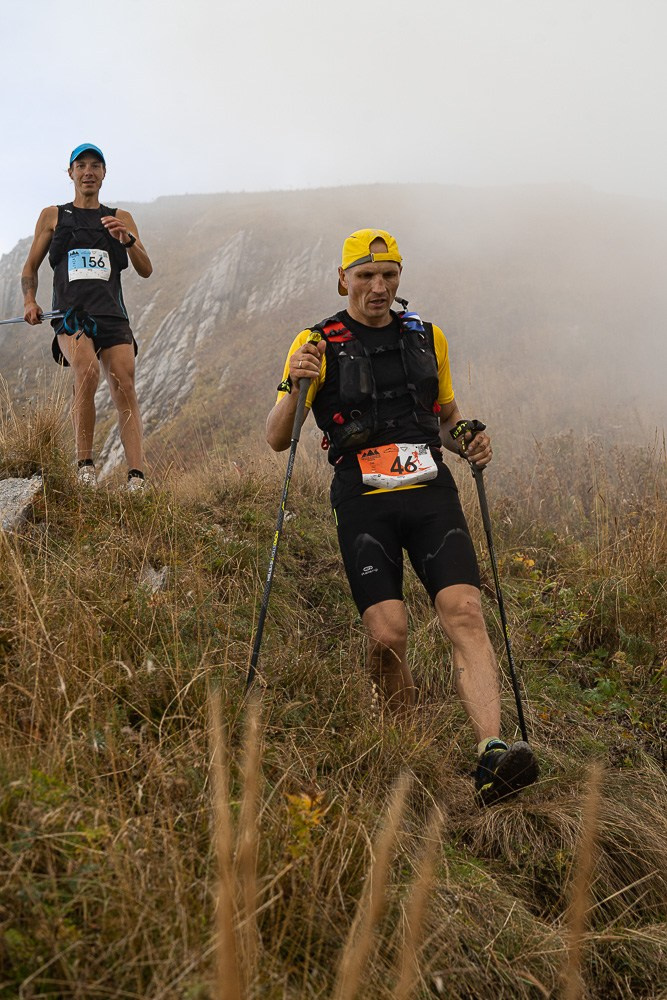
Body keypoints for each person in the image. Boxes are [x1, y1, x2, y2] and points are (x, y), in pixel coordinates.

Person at [266, 228, 538, 805]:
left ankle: (492, 752)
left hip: (431, 493)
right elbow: (277, 437)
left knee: (464, 610)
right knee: (387, 634)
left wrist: (468, 439)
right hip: (363, 500)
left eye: (389, 275)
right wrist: (296, 380)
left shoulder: (427, 337)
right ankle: (403, 746)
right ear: (343, 280)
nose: (378, 287)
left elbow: (447, 419)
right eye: (365, 276)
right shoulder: (315, 341)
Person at [21, 143, 153, 490]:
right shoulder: (54, 215)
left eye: (95, 165)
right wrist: (29, 301)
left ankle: (136, 478)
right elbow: (30, 266)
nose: (88, 171)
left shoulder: (120, 217)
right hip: (71, 315)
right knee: (88, 370)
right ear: (71, 174)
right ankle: (85, 467)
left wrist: (128, 240)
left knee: (125, 386)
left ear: (104, 173)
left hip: (112, 316)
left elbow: (146, 269)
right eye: (81, 166)